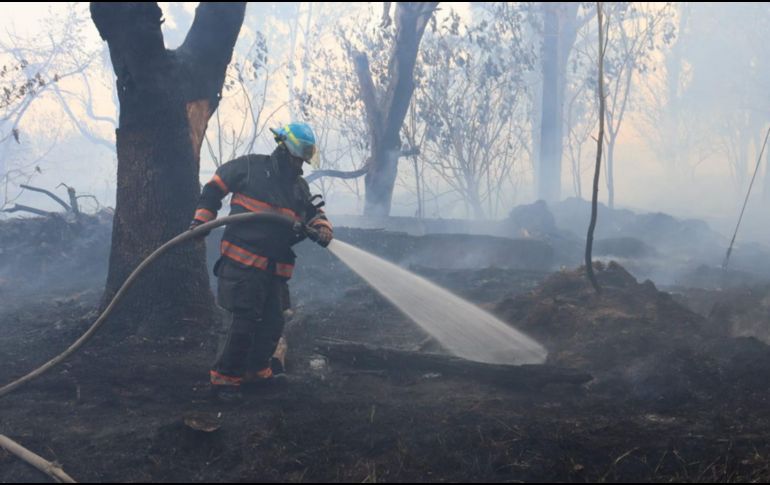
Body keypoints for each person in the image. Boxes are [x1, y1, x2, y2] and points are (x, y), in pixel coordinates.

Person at [189, 122, 332, 400]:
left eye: (303, 161)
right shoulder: (251, 168)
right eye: (297, 158)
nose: (299, 166)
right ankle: (225, 380)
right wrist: (202, 221)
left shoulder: (298, 187)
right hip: (242, 266)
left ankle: (257, 372)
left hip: (275, 271)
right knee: (240, 323)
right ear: (283, 149)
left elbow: (314, 211)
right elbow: (215, 187)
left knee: (272, 324)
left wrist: (323, 227)